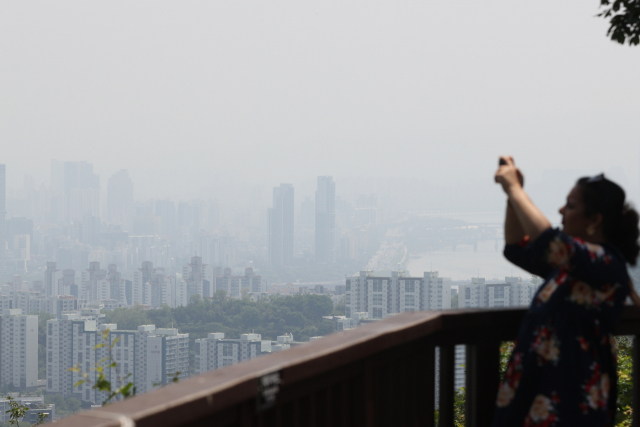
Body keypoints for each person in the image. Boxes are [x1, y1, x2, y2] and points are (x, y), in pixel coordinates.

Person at [492, 156, 640, 427]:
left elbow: (549, 241)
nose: (561, 211)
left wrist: (516, 190)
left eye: (571, 206)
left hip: (570, 401)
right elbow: (516, 247)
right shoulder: (569, 269)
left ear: (594, 220)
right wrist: (511, 198)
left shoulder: (606, 264)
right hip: (535, 394)